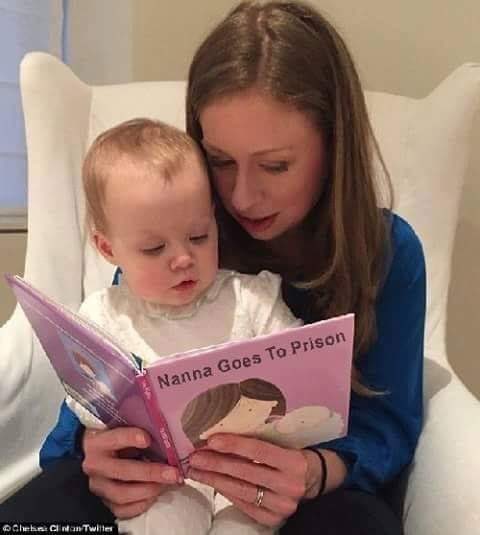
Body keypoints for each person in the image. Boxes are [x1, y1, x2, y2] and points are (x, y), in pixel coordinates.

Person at [0, 2, 426, 534]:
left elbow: (390, 422)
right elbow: (104, 386)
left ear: (333, 147)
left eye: (275, 165)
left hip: (310, 489)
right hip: (163, 488)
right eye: (220, 161)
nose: (241, 197)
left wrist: (316, 472)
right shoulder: (179, 226)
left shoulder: (385, 251)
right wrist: (94, 452)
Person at [66, 116, 307, 534]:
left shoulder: (252, 299)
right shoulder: (103, 317)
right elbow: (82, 400)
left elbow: (302, 367)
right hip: (162, 481)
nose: (182, 258)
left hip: (248, 475)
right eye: (154, 248)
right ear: (107, 247)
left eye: (199, 237)